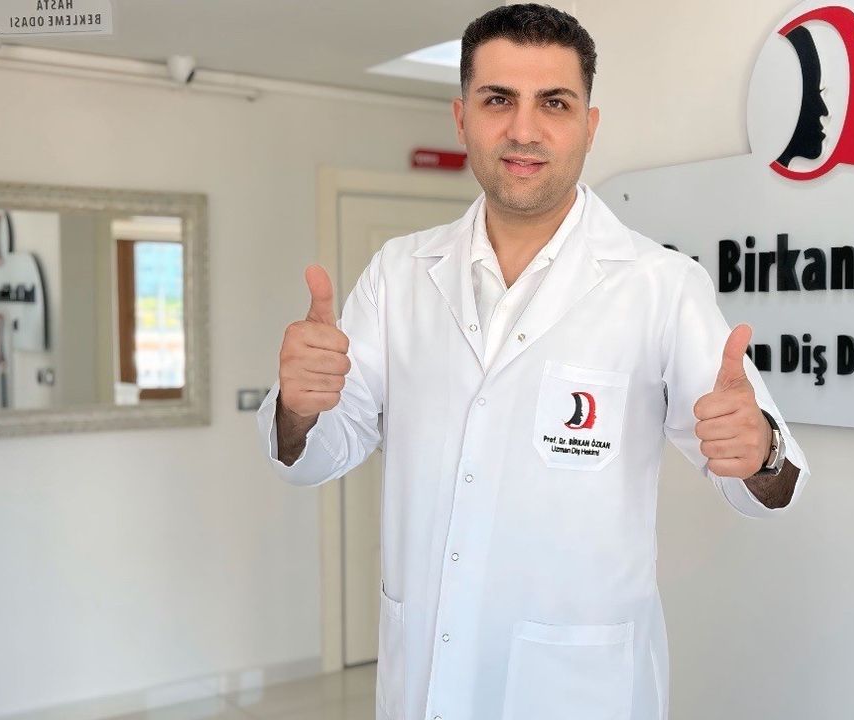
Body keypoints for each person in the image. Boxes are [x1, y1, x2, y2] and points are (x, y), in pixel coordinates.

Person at [256, 5, 810, 719]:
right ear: (461, 118)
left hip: (580, 689)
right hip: (426, 676)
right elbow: (319, 454)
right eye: (498, 100)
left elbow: (772, 485)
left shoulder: (659, 285)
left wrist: (759, 451)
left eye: (554, 103)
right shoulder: (399, 274)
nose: (524, 130)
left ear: (589, 125)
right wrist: (299, 408)